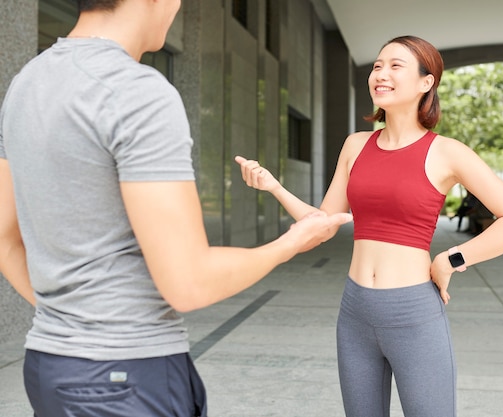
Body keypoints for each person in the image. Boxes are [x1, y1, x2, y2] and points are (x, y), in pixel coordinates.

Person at [0, 1, 352, 416]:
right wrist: (291, 242)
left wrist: (74, 318)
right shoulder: (135, 90)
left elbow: (6, 239)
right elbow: (189, 283)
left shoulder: (27, 83)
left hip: (50, 366)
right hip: (126, 376)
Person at [236, 35, 503, 417]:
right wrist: (273, 186)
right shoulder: (355, 145)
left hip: (413, 312)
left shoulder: (446, 152)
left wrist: (451, 259)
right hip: (355, 311)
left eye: (396, 66)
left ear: (426, 82)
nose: (381, 73)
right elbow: (323, 226)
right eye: (378, 65)